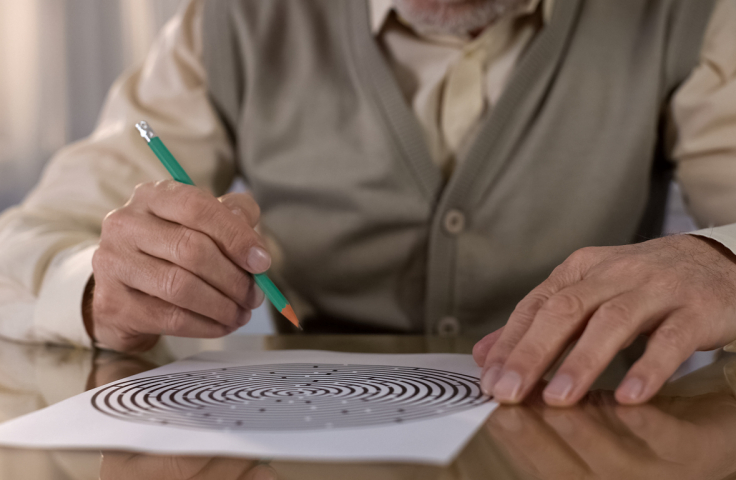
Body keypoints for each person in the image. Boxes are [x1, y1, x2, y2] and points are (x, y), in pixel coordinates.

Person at [1, 0, 736, 408]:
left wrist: (719, 260)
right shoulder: (228, 21)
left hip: (590, 440)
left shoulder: (692, 15)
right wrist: (99, 285)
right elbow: (25, 240)